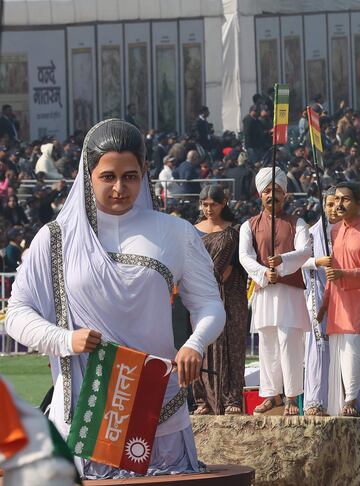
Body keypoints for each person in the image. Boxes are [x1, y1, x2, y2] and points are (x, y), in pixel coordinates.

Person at [5, 119, 225, 478]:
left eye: (131, 176)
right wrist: (64, 339)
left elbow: (210, 306)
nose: (120, 187)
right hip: (85, 409)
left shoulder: (175, 233)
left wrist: (195, 344)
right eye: (108, 176)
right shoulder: (56, 238)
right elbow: (16, 314)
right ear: (87, 174)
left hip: (158, 408)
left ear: (144, 174)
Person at [239, 167, 311, 416]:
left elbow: (304, 252)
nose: (272, 195)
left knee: (289, 343)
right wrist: (262, 273)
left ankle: (292, 396)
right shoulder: (249, 226)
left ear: (285, 194)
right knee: (267, 343)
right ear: (260, 194)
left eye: (277, 190)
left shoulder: (297, 223)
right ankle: (271, 395)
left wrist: (280, 263)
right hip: (264, 292)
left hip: (289, 293)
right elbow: (244, 257)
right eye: (267, 191)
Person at [317, 181, 360, 416]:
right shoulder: (335, 231)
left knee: (355, 349)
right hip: (338, 300)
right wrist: (324, 304)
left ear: (359, 204)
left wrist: (344, 274)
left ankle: (352, 399)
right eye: (336, 199)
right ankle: (344, 399)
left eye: (345, 199)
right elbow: (332, 273)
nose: (339, 204)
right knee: (340, 351)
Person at [301, 188, 360, 416]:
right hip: (319, 295)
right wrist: (317, 261)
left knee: (352, 348)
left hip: (349, 297)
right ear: (323, 205)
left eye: (338, 203)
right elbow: (298, 260)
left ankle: (356, 401)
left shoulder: (354, 232)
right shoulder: (311, 234)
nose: (334, 209)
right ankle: (315, 401)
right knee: (320, 347)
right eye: (329, 204)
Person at [192, 185, 248, 415]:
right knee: (200, 344)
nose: (208, 209)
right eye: (204, 204)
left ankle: (231, 397)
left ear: (224, 203)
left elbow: (226, 268)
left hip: (229, 296)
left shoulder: (234, 231)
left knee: (231, 346)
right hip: (197, 295)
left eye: (213, 204)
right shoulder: (192, 230)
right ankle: (202, 399)